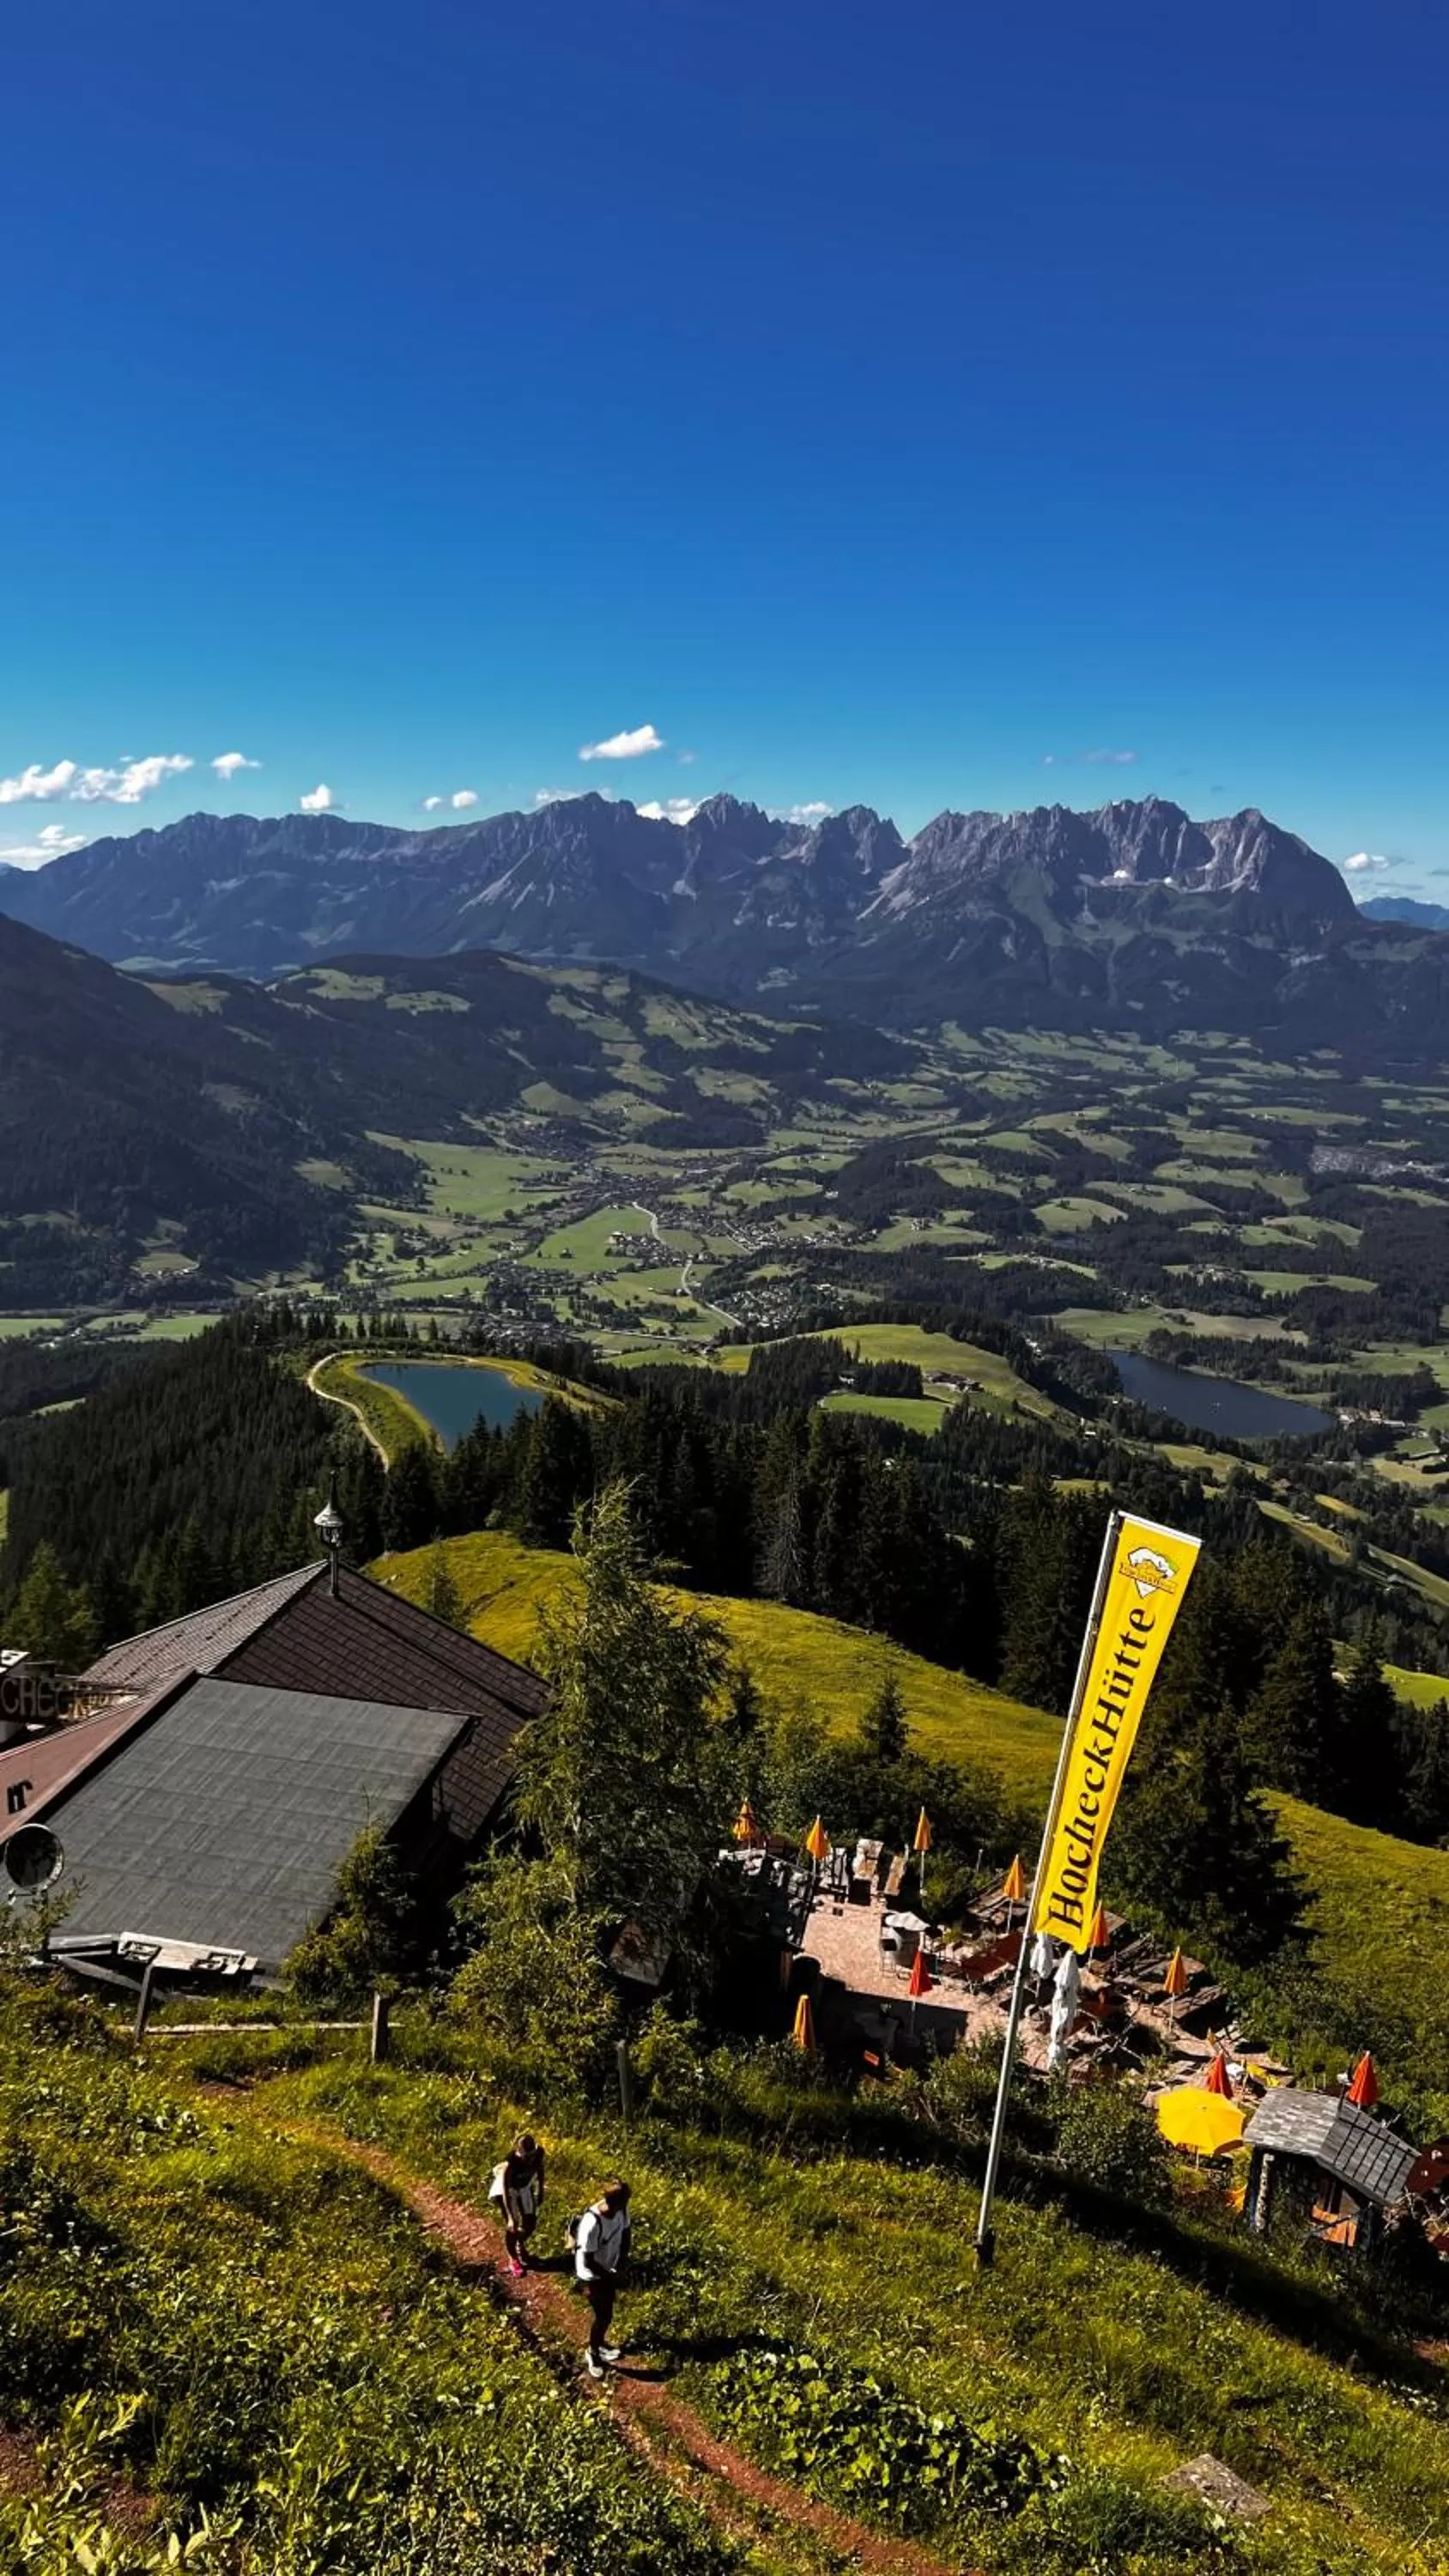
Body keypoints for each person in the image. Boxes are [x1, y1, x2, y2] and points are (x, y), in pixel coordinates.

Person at [574, 2179, 632, 2378]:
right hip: (591, 2276)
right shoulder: (592, 2223)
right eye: (625, 2200)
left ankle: (600, 2344)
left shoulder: (621, 2210)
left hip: (608, 2270)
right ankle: (593, 2352)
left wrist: (622, 2263)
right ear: (614, 2201)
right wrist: (611, 2278)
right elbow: (588, 2261)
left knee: (606, 2312)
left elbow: (626, 2234)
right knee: (603, 2315)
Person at [492, 2131, 546, 2277]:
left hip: (524, 2187)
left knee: (530, 2223)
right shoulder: (511, 2163)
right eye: (526, 2156)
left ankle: (519, 2244)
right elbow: (505, 2190)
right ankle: (513, 2259)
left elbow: (540, 2169)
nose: (529, 2158)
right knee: (513, 2226)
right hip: (508, 2190)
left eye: (531, 2154)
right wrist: (510, 2216)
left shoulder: (537, 2155)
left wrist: (541, 2190)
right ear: (519, 2152)